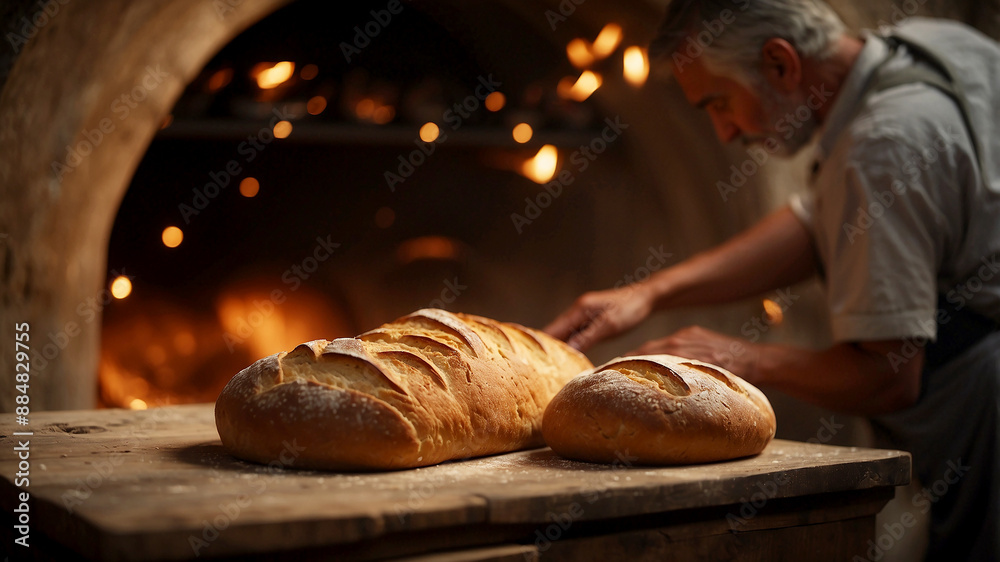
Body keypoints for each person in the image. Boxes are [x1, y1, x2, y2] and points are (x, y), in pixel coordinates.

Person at [544, 1, 1000, 560]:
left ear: (781, 63)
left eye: (720, 103)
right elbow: (819, 219)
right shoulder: (929, 43)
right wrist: (650, 292)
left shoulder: (883, 146)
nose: (726, 130)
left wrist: (736, 358)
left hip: (984, 407)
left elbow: (888, 375)